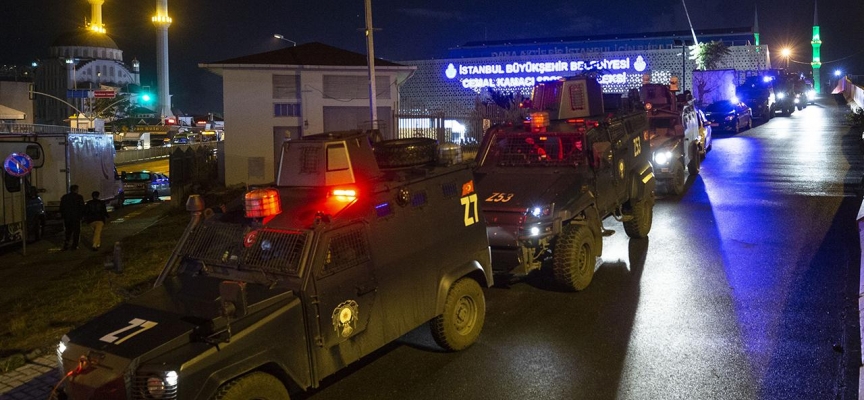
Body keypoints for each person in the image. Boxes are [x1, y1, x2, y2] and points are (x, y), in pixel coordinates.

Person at [59, 184, 85, 250]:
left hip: (67, 218)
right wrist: (82, 216)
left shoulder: (64, 197)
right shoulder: (79, 197)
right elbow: (82, 208)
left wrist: (63, 215)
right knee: (76, 232)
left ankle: (66, 244)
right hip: (76, 218)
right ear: (76, 190)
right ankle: (74, 245)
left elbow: (61, 207)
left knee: (68, 231)